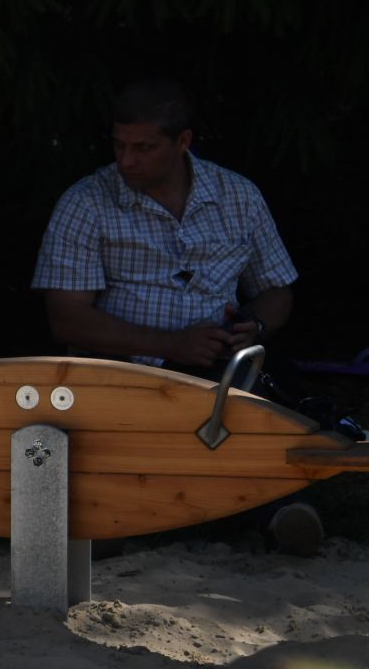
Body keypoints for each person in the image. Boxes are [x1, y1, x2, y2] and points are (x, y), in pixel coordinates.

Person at [31, 78, 320, 553]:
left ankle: (276, 512)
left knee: (257, 399)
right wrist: (171, 344)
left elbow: (277, 291)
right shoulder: (86, 202)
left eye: (143, 148)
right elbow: (66, 318)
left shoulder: (238, 196)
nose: (127, 161)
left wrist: (256, 325)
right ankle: (134, 520)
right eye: (120, 145)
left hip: (221, 366)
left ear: (182, 142)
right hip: (125, 371)